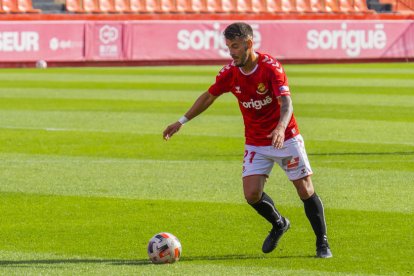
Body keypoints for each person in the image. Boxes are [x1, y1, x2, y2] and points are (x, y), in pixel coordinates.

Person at [162, 22, 332, 258]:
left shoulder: (270, 68)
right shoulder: (230, 73)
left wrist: (281, 128)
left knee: (305, 190)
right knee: (251, 194)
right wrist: (181, 121)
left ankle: (322, 243)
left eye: (235, 46)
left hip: (286, 138)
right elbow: (209, 96)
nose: (231, 52)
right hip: (256, 142)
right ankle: (279, 223)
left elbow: (286, 103)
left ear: (249, 44)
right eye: (228, 47)